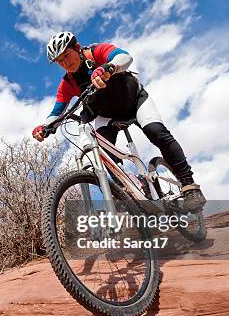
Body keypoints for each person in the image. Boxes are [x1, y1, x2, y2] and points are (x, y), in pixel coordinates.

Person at [32, 31, 206, 212]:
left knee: (157, 132)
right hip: (107, 115)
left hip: (135, 101)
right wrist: (44, 127)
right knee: (104, 154)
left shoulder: (96, 52)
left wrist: (109, 67)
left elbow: (124, 57)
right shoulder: (67, 83)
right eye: (60, 61)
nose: (65, 62)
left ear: (76, 48)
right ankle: (131, 190)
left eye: (66, 55)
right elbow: (57, 111)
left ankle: (189, 187)